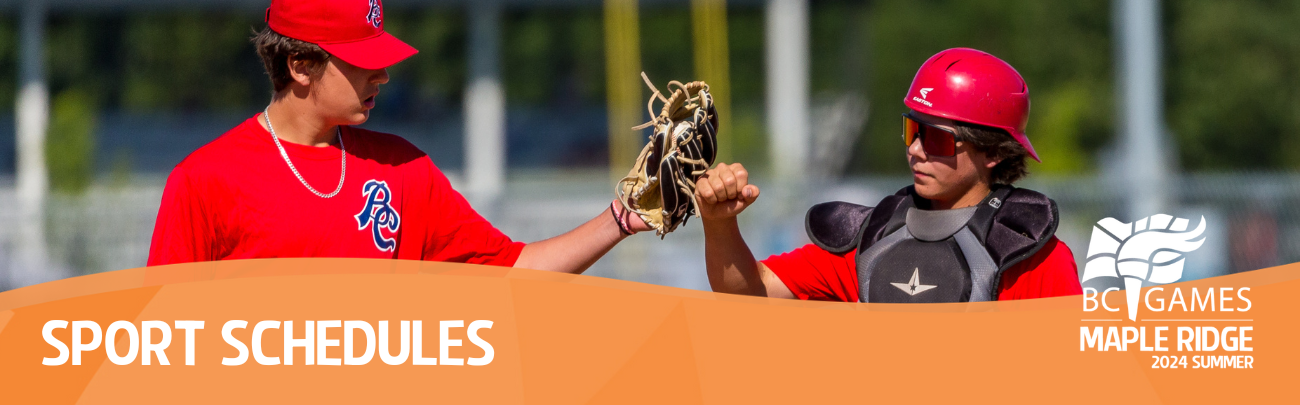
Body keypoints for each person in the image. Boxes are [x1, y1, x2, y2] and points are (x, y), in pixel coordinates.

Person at [148, 0, 650, 271]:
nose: (383, 75)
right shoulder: (206, 180)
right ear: (300, 65)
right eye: (362, 62)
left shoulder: (402, 168)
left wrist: (621, 219)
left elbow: (514, 273)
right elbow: (164, 346)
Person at [696, 48, 1081, 302]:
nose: (915, 149)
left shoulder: (1030, 256)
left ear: (993, 151)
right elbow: (752, 290)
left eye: (936, 139)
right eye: (913, 130)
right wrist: (719, 223)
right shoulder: (874, 240)